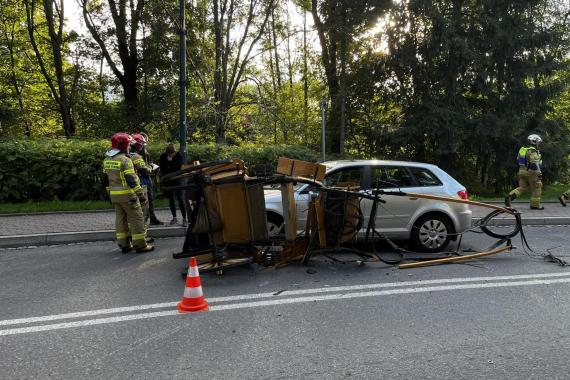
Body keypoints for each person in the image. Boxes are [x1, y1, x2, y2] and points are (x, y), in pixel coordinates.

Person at [103, 133, 154, 253]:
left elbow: (105, 180)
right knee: (137, 218)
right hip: (128, 195)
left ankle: (124, 244)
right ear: (125, 145)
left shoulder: (107, 159)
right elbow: (131, 179)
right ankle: (140, 245)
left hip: (114, 195)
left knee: (120, 219)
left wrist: (109, 194)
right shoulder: (125, 160)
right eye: (129, 145)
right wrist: (140, 194)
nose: (130, 147)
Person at [505, 134, 544, 210]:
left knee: (523, 187)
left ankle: (510, 196)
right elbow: (534, 163)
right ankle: (535, 205)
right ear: (534, 142)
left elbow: (518, 159)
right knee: (537, 187)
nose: (539, 144)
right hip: (532, 172)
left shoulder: (523, 149)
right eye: (538, 142)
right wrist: (539, 173)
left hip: (522, 171)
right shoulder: (532, 151)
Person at [138, 132, 163, 225]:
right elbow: (143, 166)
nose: (145, 142)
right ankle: (145, 219)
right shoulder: (141, 150)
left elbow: (148, 162)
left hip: (145, 177)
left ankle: (151, 217)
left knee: (149, 199)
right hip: (144, 178)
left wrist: (151, 165)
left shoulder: (143, 150)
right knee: (146, 200)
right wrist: (151, 168)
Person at [159, 143, 187, 226]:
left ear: (174, 152)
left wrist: (170, 162)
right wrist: (168, 163)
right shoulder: (163, 156)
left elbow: (179, 168)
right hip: (169, 180)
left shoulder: (179, 156)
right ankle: (174, 218)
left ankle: (184, 218)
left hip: (178, 180)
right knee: (171, 199)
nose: (171, 155)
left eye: (172, 154)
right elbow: (162, 168)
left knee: (181, 198)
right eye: (169, 154)